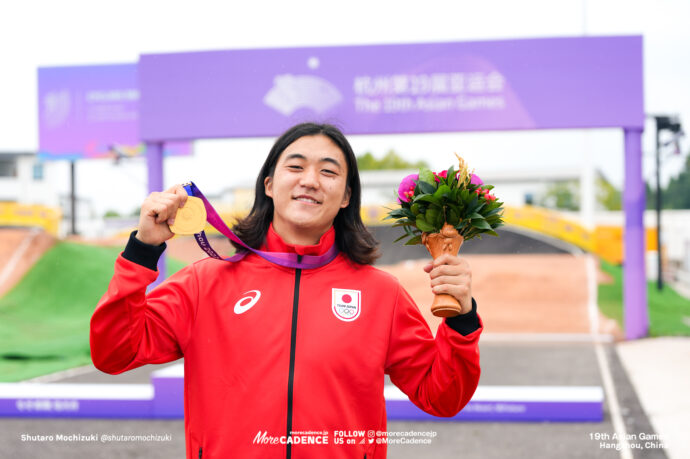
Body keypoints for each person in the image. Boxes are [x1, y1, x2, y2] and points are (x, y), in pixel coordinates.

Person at [90, 122, 483, 459]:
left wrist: (462, 318)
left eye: (329, 172)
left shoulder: (381, 294)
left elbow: (442, 395)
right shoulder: (204, 283)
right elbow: (114, 352)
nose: (309, 180)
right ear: (269, 185)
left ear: (346, 196)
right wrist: (142, 250)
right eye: (295, 166)